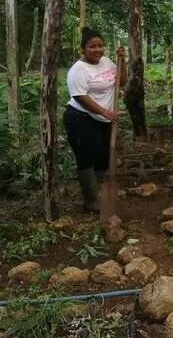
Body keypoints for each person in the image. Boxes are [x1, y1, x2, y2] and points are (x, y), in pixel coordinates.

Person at [63, 27, 126, 212]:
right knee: (86, 157)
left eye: (100, 45)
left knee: (103, 157)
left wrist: (123, 61)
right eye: (92, 46)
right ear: (83, 48)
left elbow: (120, 82)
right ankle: (91, 201)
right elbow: (80, 97)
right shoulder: (78, 70)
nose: (97, 49)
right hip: (81, 118)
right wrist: (105, 112)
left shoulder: (106, 62)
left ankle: (101, 193)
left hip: (103, 119)